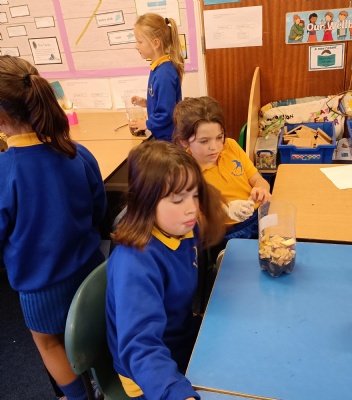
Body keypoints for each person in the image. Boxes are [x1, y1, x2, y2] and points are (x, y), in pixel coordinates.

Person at [0, 55, 107, 400]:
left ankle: (78, 397)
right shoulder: (77, 152)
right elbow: (100, 210)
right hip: (92, 270)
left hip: (41, 287)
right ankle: (103, 383)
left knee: (49, 344)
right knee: (91, 332)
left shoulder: (5, 170)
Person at [106, 140, 226, 399]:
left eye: (194, 195)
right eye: (178, 199)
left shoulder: (183, 228)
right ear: (146, 202)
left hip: (180, 338)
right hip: (150, 374)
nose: (191, 208)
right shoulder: (134, 263)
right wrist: (177, 393)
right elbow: (141, 347)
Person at [173, 96, 272, 260]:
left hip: (259, 216)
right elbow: (198, 225)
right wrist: (226, 211)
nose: (215, 147)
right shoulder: (186, 173)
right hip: (226, 232)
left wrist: (261, 190)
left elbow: (258, 179)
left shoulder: (230, 146)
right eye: (204, 141)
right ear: (184, 142)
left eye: (219, 137)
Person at [129, 13, 184, 141]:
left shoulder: (164, 74)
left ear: (156, 43)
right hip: (163, 136)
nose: (136, 46)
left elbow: (167, 113)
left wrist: (147, 124)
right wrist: (146, 103)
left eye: (140, 41)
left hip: (168, 139)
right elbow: (163, 102)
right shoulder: (158, 68)